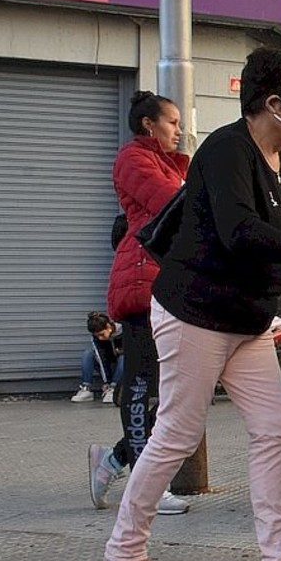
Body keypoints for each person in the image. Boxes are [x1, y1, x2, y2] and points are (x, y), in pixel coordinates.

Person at [100, 47, 281, 561]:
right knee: (176, 431)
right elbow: (239, 231)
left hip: (244, 321)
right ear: (272, 104)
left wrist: (265, 307)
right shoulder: (228, 149)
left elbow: (261, 245)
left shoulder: (280, 160)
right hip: (194, 312)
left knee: (276, 423)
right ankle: (122, 555)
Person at [88, 91, 191, 517]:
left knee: (175, 392)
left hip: (170, 284)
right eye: (171, 122)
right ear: (149, 124)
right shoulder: (134, 158)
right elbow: (173, 205)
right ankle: (145, 485)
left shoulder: (170, 163)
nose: (179, 130)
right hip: (142, 282)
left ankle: (113, 460)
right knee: (144, 386)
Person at [72, 312, 125, 405]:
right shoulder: (96, 338)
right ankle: (86, 389)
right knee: (88, 354)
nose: (100, 338)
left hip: (124, 370)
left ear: (108, 326)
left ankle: (114, 389)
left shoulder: (125, 331)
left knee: (124, 357)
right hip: (108, 367)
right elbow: (101, 358)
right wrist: (107, 382)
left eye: (102, 334)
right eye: (97, 336)